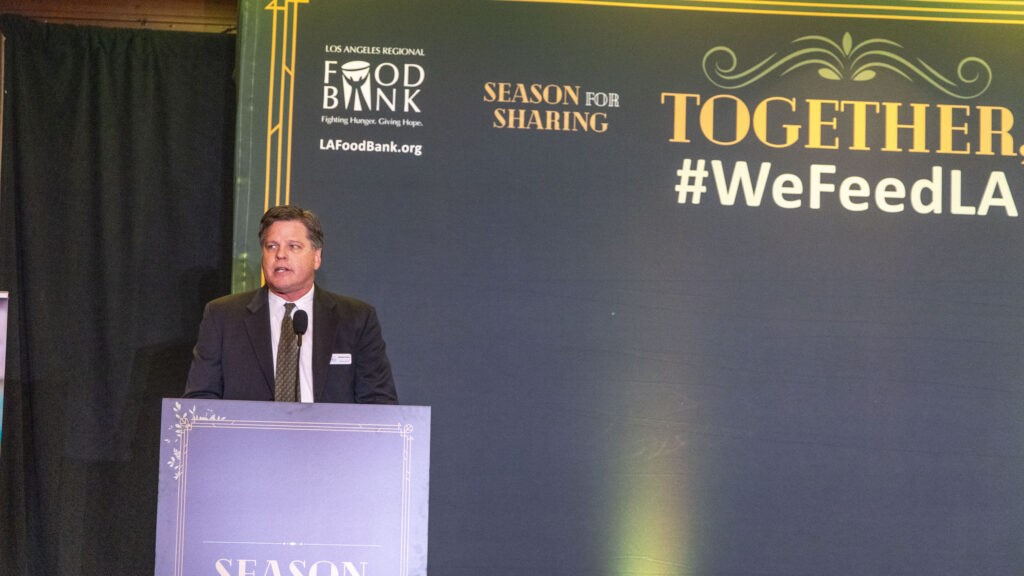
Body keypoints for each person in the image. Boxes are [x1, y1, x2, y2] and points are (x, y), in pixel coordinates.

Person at [183, 205, 398, 403]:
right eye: (271, 246)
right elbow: (200, 400)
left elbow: (378, 403)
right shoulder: (223, 316)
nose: (281, 255)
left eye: (293, 246)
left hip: (329, 444)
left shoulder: (356, 319)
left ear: (316, 257)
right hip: (250, 443)